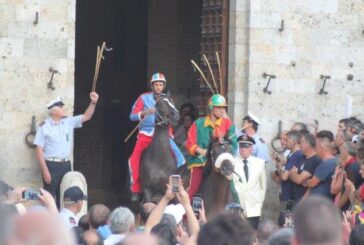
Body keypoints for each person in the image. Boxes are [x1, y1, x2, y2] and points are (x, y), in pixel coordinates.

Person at [34, 92, 99, 207]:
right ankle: (48, 222)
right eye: (60, 107)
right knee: (48, 196)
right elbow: (39, 150)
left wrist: (93, 102)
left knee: (65, 195)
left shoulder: (68, 122)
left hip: (66, 165)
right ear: (53, 111)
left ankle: (62, 222)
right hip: (51, 165)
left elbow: (86, 116)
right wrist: (45, 170)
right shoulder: (44, 126)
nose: (63, 108)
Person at [128, 72, 184, 202]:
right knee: (133, 158)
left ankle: (176, 189)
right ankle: (136, 189)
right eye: (156, 85)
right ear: (152, 86)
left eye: (161, 85)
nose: (158, 87)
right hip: (146, 133)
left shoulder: (168, 99)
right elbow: (132, 116)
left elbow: (174, 115)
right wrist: (145, 112)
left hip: (165, 134)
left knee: (180, 158)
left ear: (164, 86)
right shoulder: (143, 98)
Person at [185, 94, 237, 199]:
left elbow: (234, 145)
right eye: (219, 107)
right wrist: (200, 150)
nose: (222, 110)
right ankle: (187, 213)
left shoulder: (228, 124)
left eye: (223, 107)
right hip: (201, 162)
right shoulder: (198, 123)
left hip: (220, 162)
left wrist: (225, 146)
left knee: (232, 188)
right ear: (211, 108)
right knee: (193, 189)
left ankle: (237, 208)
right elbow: (189, 143)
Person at [230, 134, 266, 230]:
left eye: (246, 147)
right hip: (238, 207)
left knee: (252, 235)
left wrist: (259, 203)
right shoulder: (232, 162)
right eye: (241, 146)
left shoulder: (259, 163)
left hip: (254, 208)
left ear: (251, 148)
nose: (243, 149)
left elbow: (263, 186)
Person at [289, 133, 321, 203]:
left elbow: (299, 180)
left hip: (307, 201)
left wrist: (294, 174)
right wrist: (294, 174)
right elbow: (290, 173)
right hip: (296, 198)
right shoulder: (302, 158)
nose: (299, 145)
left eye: (301, 143)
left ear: (307, 144)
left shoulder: (315, 160)